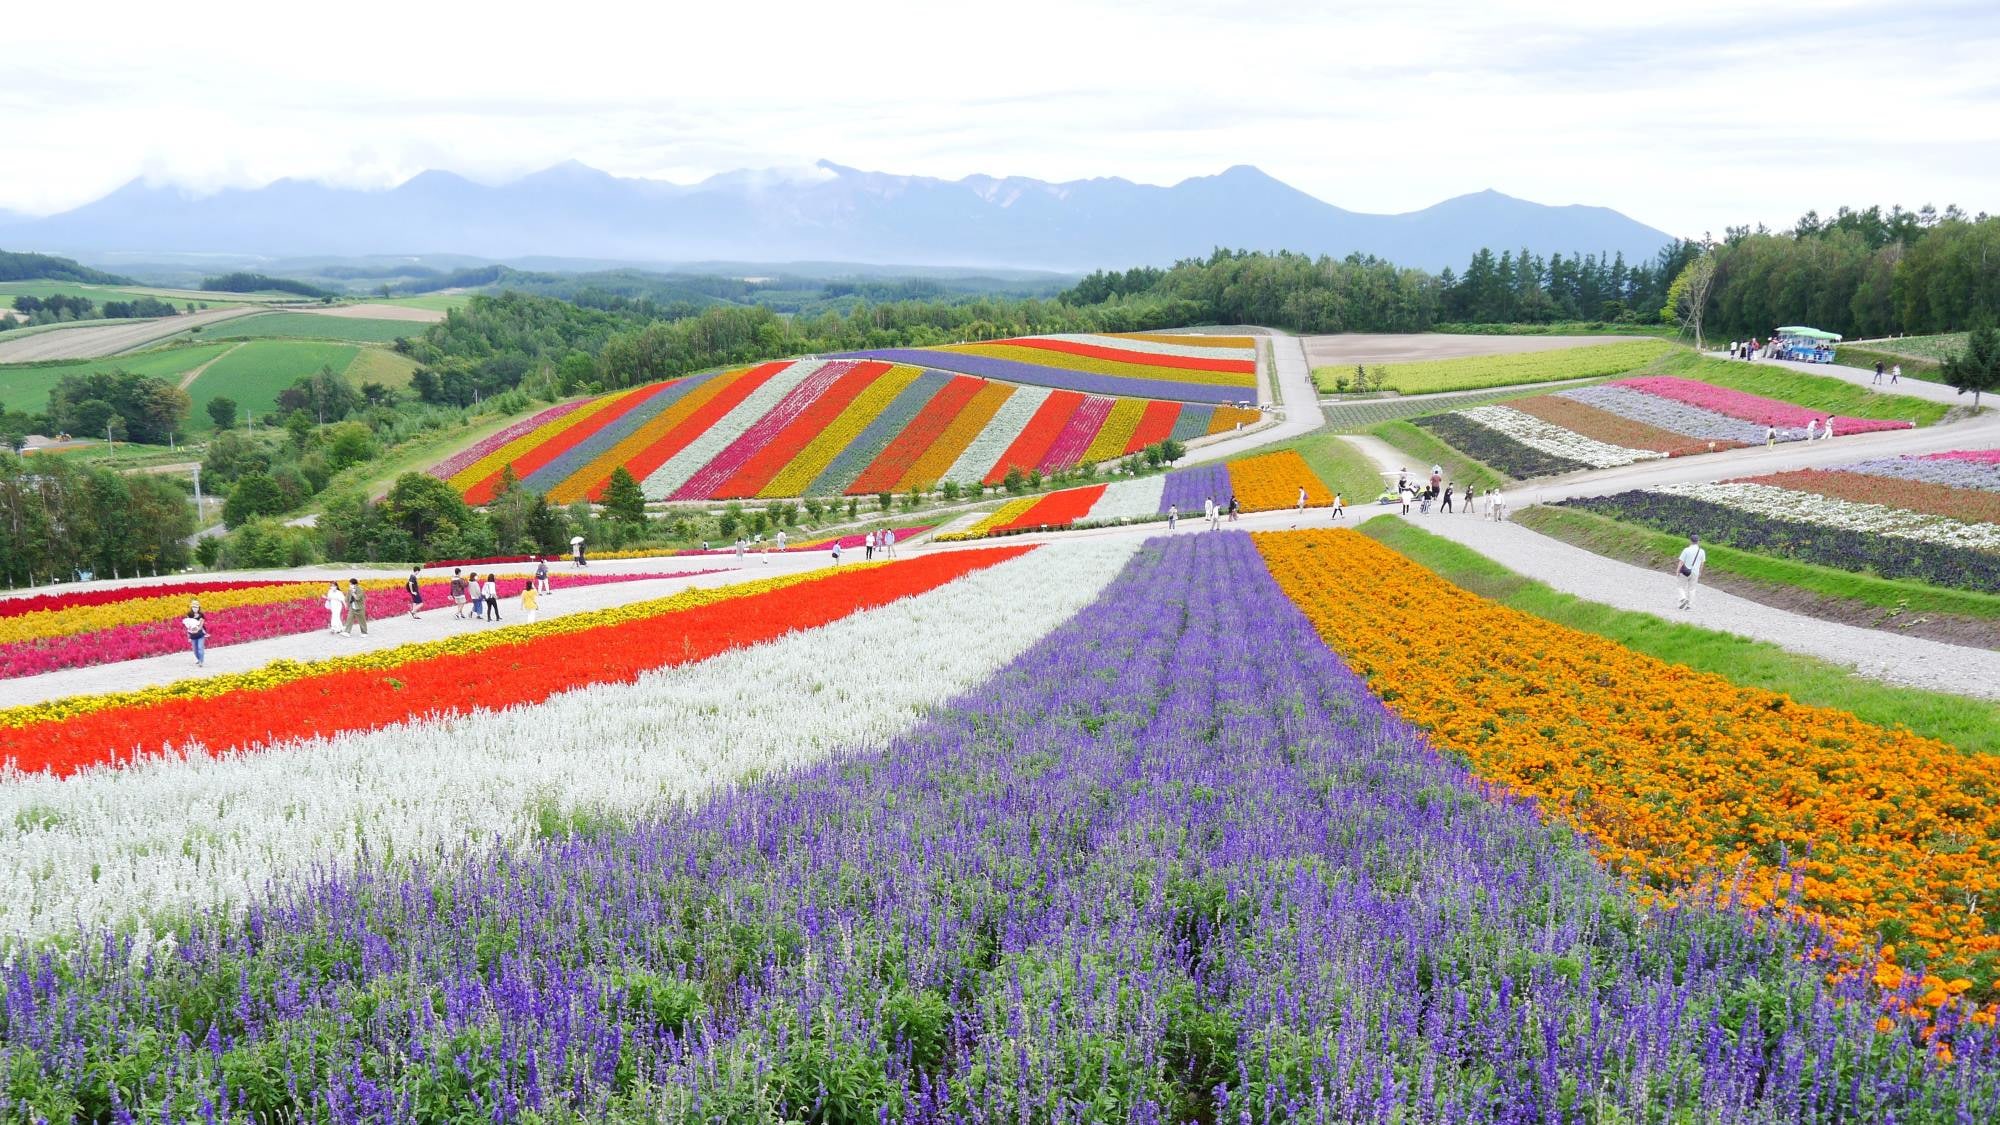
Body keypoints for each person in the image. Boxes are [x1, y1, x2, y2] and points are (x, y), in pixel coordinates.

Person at [1675, 532, 1707, 610]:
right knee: (1692, 589)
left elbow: (1681, 562)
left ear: (1690, 541)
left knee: (1680, 586)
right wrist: (1700, 572)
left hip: (1685, 571)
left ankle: (1683, 598)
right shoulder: (1702, 551)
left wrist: (1677, 570)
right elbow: (1702, 563)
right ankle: (1689, 606)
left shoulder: (1686, 550)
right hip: (1695, 572)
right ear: (1698, 541)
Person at [183, 599, 208, 667]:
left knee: (200, 648)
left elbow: (201, 624)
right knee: (195, 650)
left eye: (196, 607)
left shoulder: (201, 615)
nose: (195, 608)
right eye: (194, 607)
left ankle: (201, 661)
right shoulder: (189, 614)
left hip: (200, 634)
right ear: (192, 607)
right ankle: (198, 659)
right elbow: (187, 623)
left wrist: (197, 629)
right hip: (192, 635)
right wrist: (190, 630)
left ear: (198, 607)